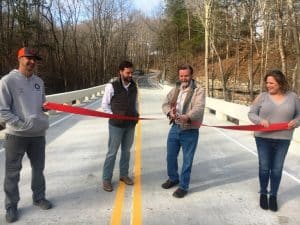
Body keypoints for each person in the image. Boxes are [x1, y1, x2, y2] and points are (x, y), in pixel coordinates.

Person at [0, 47, 52, 223]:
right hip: (16, 135)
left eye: (34, 59)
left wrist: (45, 108)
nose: (32, 62)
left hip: (37, 134)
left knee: (39, 169)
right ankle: (11, 206)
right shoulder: (7, 81)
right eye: (28, 58)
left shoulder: (39, 81)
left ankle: (39, 197)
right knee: (12, 173)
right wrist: (21, 124)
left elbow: (42, 103)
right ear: (20, 58)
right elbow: (2, 111)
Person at [248, 69, 300, 212]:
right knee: (264, 168)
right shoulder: (262, 97)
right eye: (267, 83)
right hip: (263, 138)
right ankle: (263, 193)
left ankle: (273, 196)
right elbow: (251, 113)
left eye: (271, 83)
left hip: (283, 139)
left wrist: (296, 122)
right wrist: (260, 120)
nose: (268, 85)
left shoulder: (293, 97)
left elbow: (299, 115)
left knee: (277, 169)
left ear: (280, 83)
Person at [161, 64, 205, 198]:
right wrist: (170, 112)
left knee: (187, 159)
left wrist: (187, 116)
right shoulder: (176, 88)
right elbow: (165, 103)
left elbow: (199, 108)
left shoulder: (198, 90)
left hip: (190, 130)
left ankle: (183, 186)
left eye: (186, 75)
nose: (184, 78)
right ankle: (173, 178)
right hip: (175, 127)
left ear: (191, 76)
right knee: (170, 156)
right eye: (181, 76)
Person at [101, 60, 139, 192]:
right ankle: (106, 179)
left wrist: (136, 114)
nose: (130, 75)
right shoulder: (111, 86)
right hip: (116, 126)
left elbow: (135, 103)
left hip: (130, 125)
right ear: (121, 72)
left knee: (126, 151)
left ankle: (124, 175)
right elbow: (104, 105)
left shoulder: (134, 86)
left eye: (131, 73)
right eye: (128, 72)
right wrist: (113, 115)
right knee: (112, 152)